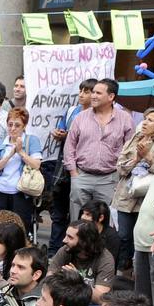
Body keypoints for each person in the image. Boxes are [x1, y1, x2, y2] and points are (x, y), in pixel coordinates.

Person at [63, 78, 134, 221]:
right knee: (78, 222)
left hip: (109, 179)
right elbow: (69, 146)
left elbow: (130, 149)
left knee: (104, 221)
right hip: (81, 176)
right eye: (93, 92)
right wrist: (74, 173)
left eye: (98, 93)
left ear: (111, 97)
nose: (93, 96)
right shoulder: (81, 117)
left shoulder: (125, 118)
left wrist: (120, 174)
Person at [111, 106, 154, 275]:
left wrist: (147, 157)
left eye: (150, 120)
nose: (145, 122)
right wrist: (137, 159)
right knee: (123, 234)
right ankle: (122, 267)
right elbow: (120, 167)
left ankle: (136, 270)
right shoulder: (135, 137)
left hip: (146, 198)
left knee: (140, 236)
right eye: (145, 118)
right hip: (126, 195)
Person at [0, 107, 43, 230]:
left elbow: (36, 164)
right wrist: (9, 155)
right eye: (10, 124)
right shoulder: (1, 142)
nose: (12, 128)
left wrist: (21, 152)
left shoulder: (31, 140)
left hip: (20, 192)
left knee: (19, 228)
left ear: (24, 126)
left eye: (17, 125)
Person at [49, 219, 116, 306]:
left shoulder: (105, 259)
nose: (64, 240)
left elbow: (101, 299)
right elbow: (49, 280)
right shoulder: (65, 250)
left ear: (84, 241)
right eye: (66, 235)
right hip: (67, 300)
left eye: (70, 237)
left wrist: (78, 280)